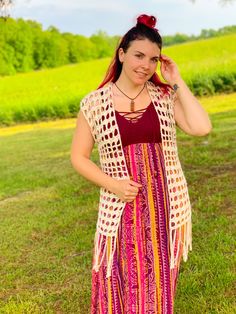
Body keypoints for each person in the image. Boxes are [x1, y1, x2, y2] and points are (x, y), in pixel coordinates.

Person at [70, 14, 212, 314]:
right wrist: (114, 185)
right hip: (122, 203)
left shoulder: (163, 97)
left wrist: (177, 81)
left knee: (158, 280)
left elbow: (201, 128)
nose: (145, 65)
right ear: (121, 54)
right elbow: (78, 157)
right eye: (138, 55)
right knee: (120, 276)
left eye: (153, 59)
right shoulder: (94, 104)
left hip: (164, 203)